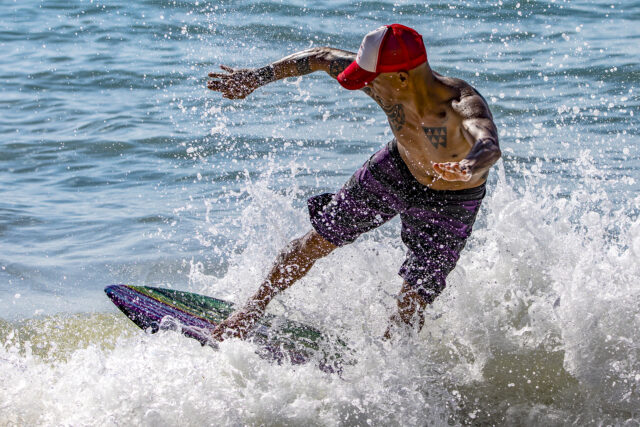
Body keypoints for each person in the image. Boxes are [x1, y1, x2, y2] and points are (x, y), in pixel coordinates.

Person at [206, 24, 500, 341]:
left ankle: (390, 366)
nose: (366, 85)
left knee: (414, 299)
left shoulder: (459, 104)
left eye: (370, 78)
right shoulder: (385, 81)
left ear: (402, 76)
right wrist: (256, 77)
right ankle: (250, 311)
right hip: (397, 169)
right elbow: (320, 56)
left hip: (452, 201)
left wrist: (468, 165)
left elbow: (488, 142)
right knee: (318, 239)